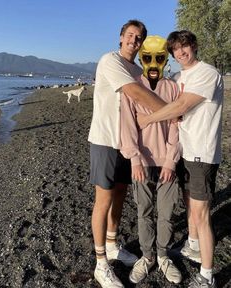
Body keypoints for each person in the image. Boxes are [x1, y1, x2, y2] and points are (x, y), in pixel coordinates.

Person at [137, 30, 223, 288]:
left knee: (201, 212)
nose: (180, 52)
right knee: (189, 205)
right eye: (175, 49)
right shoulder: (176, 76)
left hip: (202, 152)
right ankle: (193, 246)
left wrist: (148, 119)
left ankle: (207, 276)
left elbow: (181, 106)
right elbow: (165, 100)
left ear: (194, 46)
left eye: (184, 47)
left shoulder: (208, 73)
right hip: (184, 151)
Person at [88, 19, 166, 288]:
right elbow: (134, 93)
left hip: (127, 143)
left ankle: (112, 245)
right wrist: (172, 111)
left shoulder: (138, 68)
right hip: (105, 140)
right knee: (104, 198)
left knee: (120, 193)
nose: (135, 40)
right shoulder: (110, 60)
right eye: (130, 35)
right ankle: (101, 264)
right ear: (121, 37)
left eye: (139, 37)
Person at [120, 35, 182, 285]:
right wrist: (134, 159)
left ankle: (163, 255)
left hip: (166, 162)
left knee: (166, 213)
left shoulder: (173, 88)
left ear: (165, 59)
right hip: (141, 163)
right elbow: (126, 125)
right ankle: (147, 256)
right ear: (142, 58)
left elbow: (177, 127)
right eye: (148, 58)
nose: (153, 63)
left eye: (159, 58)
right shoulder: (133, 86)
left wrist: (170, 161)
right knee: (144, 213)